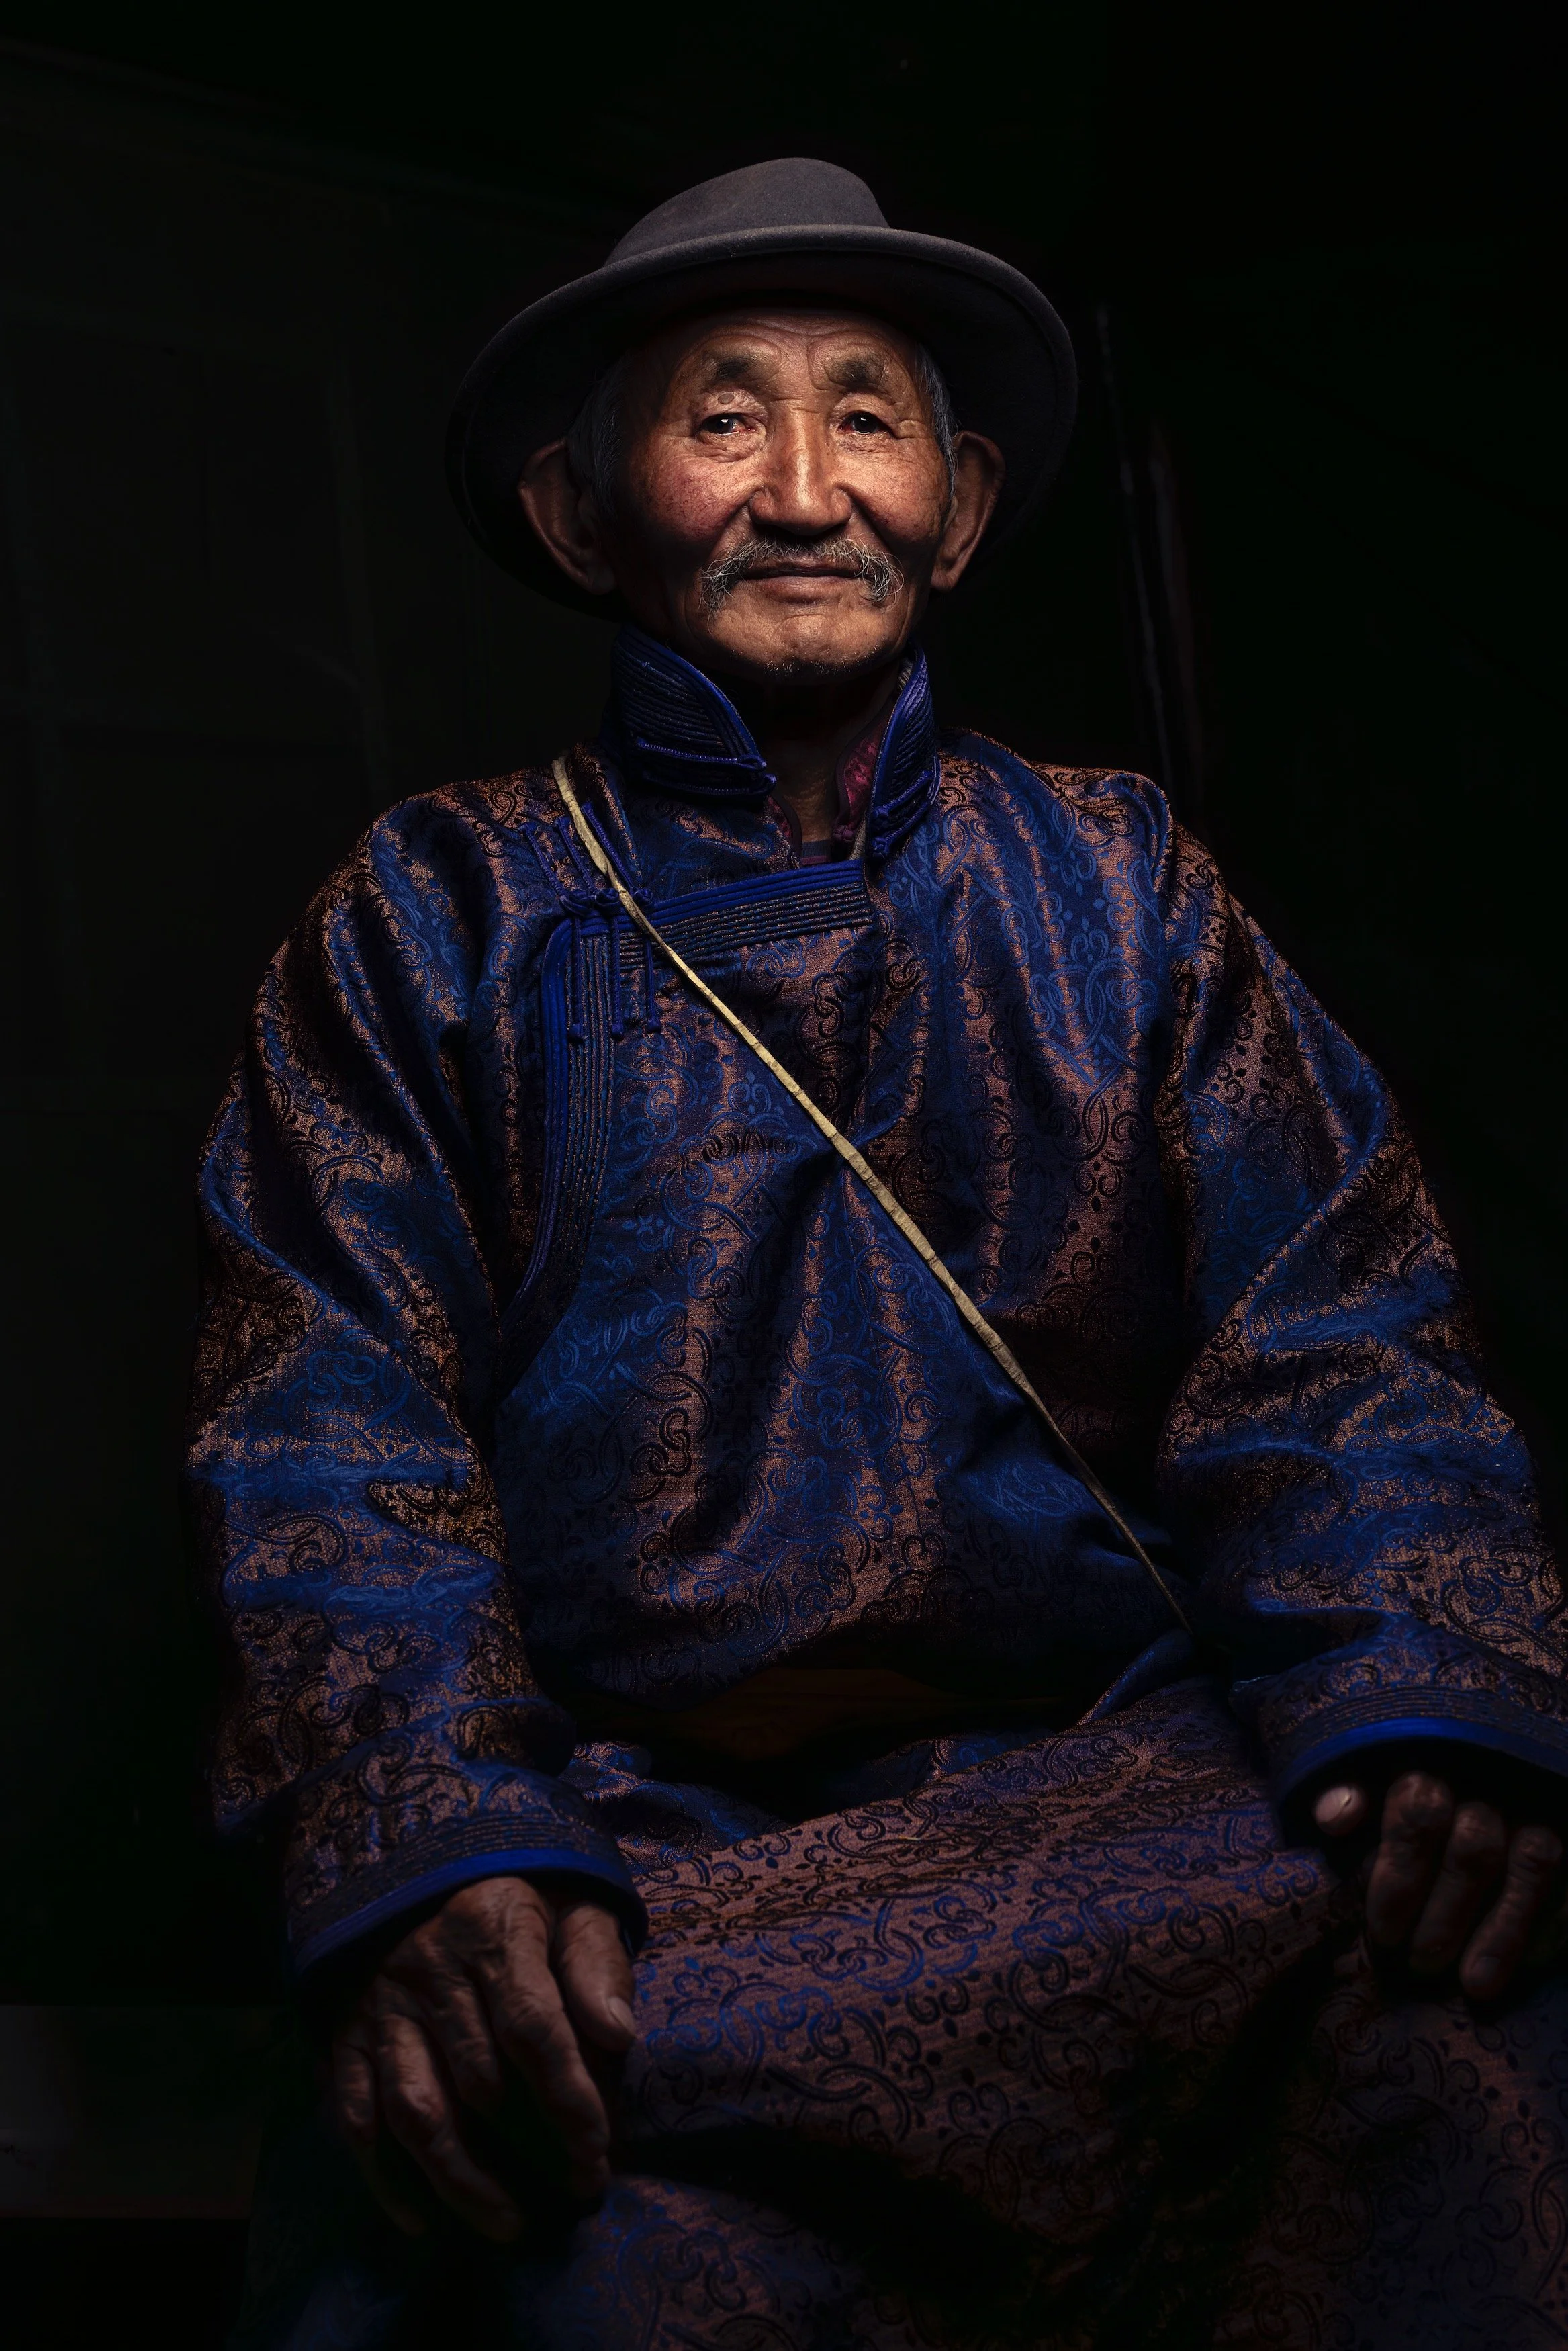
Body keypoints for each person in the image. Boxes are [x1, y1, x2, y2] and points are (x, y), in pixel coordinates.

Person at [191, 161, 1568, 2348]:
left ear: (965, 496)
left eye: (869, 419)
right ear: (582, 513)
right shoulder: (428, 917)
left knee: (1461, 2017)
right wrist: (442, 1838)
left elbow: (1339, 1329)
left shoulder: (1124, 884)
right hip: (655, 1836)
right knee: (555, 2185)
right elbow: (325, 1426)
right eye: (723, 418)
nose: (805, 488)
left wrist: (1413, 1671)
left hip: (1126, 1787)